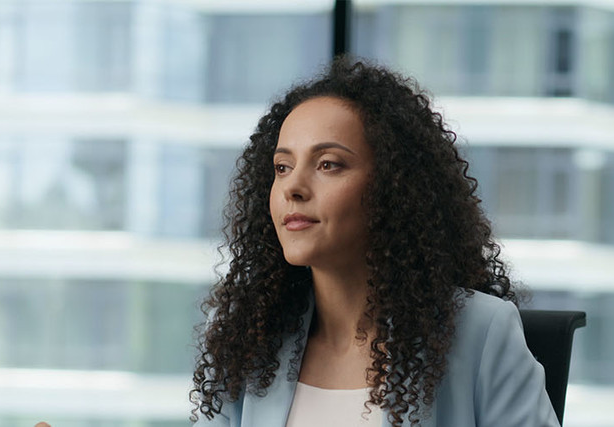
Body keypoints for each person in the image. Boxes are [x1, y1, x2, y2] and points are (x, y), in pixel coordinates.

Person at [190, 57, 560, 427]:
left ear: (393, 186)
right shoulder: (246, 336)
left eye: (328, 164)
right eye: (282, 167)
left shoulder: (481, 331)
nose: (293, 188)